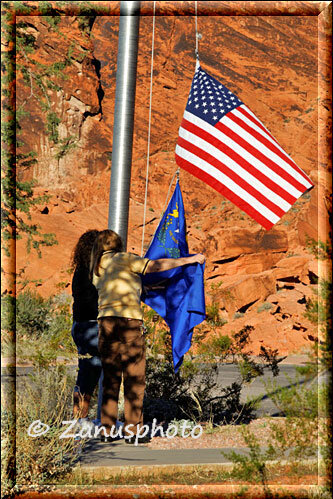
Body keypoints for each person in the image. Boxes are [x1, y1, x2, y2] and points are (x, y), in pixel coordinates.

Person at [90, 229, 205, 443]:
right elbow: (156, 266)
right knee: (134, 378)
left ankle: (107, 430)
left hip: (105, 323)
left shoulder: (96, 268)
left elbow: (121, 285)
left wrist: (144, 287)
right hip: (129, 323)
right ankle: (133, 432)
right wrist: (188, 260)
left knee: (111, 379)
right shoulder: (124, 258)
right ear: (118, 244)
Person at [71, 230, 102, 426]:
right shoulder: (91, 272)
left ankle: (80, 419)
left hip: (81, 325)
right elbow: (92, 301)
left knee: (87, 372)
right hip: (91, 325)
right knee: (90, 373)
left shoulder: (80, 270)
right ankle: (81, 420)